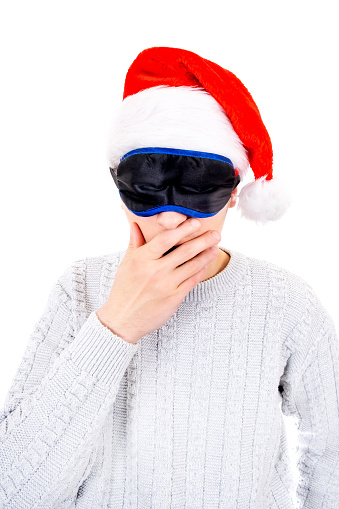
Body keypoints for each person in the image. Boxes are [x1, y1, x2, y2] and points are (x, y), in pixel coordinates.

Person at [0, 46, 338, 509]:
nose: (174, 221)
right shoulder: (79, 289)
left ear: (235, 194)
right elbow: (14, 492)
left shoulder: (287, 304)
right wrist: (116, 325)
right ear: (119, 187)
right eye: (148, 189)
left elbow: (331, 457)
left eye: (201, 190)